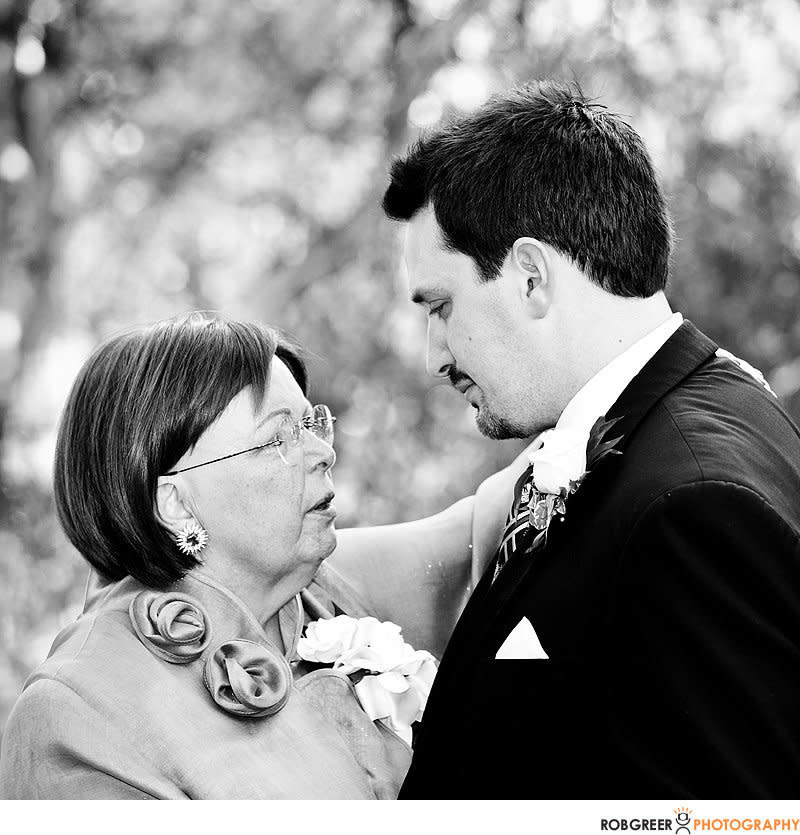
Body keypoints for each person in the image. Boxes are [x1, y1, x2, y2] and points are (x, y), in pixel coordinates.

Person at [382, 80, 800, 798]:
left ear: (532, 278)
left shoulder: (691, 505)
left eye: (442, 307)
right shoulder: (673, 421)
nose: (435, 354)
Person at [0, 312, 485, 799]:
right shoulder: (78, 711)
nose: (323, 453)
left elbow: (495, 516)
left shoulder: (323, 587)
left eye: (312, 424)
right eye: (278, 439)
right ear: (174, 503)